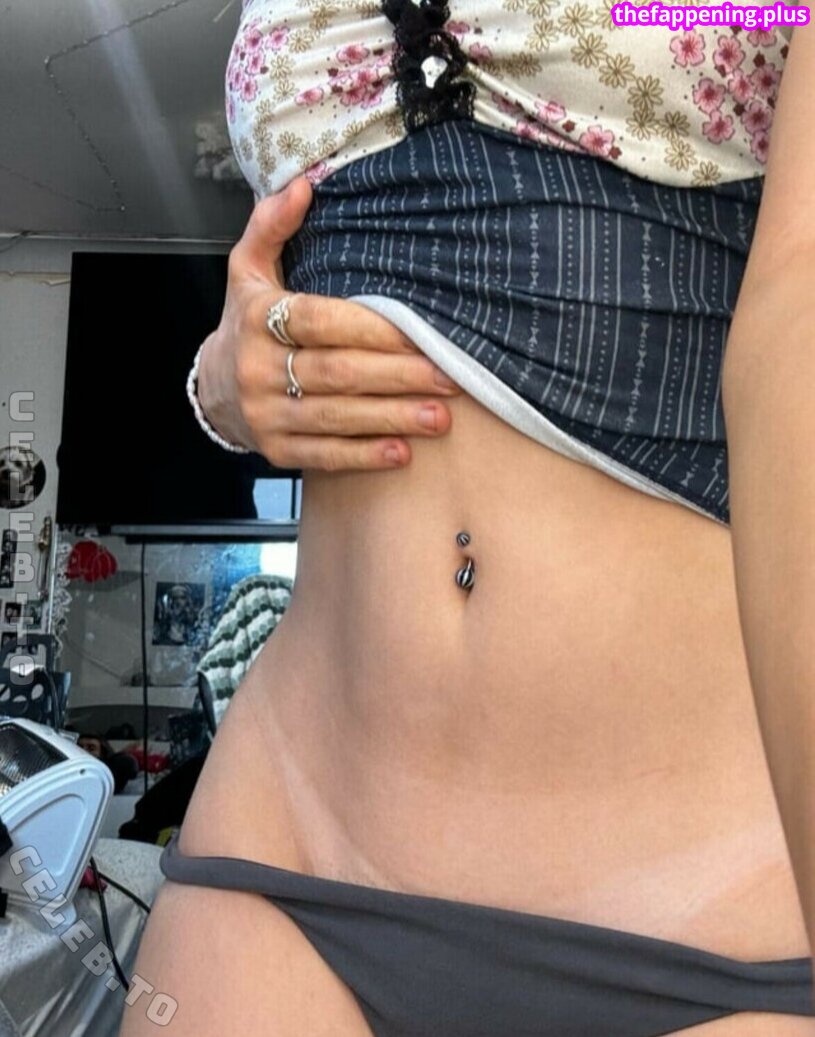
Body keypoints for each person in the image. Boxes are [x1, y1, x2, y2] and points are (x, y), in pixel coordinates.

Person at [120, 3, 815, 1035]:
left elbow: (798, 312)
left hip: (715, 912)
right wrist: (218, 384)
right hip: (293, 847)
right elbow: (276, 279)